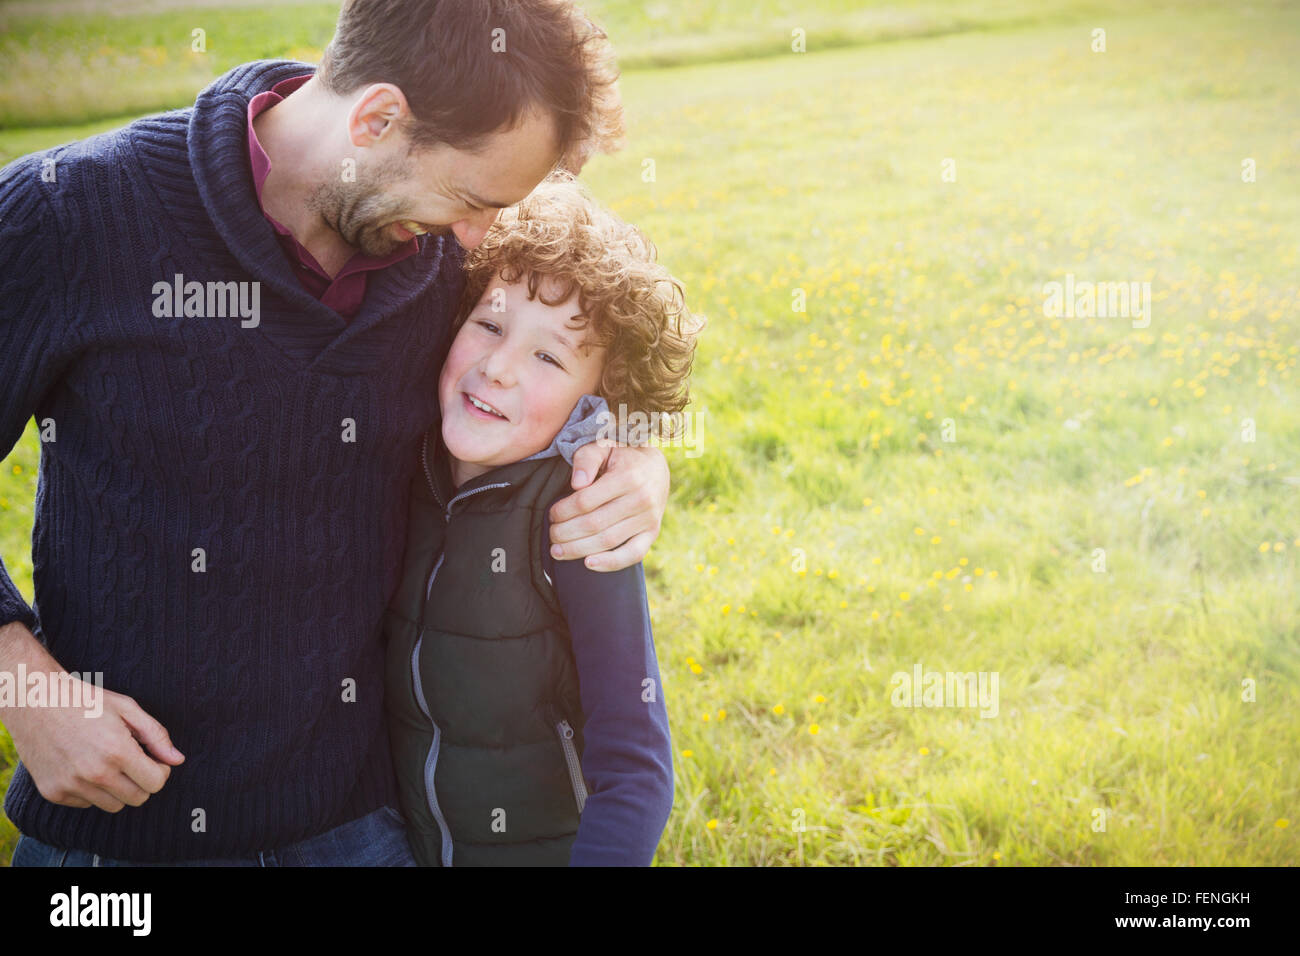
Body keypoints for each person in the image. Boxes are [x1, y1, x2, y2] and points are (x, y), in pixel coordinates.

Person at [0, 0, 671, 867]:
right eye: (471, 200)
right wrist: (24, 682)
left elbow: (580, 349)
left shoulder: (440, 267)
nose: (479, 239)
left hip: (361, 829)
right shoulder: (67, 216)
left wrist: (640, 455)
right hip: (124, 837)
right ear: (377, 118)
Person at [385, 174, 703, 866]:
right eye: (490, 325)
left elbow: (638, 768)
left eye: (549, 356)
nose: (498, 367)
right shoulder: (405, 471)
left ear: (597, 406)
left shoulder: (578, 521)